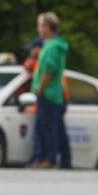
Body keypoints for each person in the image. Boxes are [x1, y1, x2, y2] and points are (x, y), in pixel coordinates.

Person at [31, 13, 70, 169]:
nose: (38, 28)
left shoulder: (52, 47)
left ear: (47, 27)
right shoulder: (50, 45)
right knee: (50, 127)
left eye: (40, 25)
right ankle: (54, 159)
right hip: (52, 93)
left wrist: (40, 88)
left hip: (48, 93)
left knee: (47, 127)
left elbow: (49, 70)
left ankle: (50, 158)